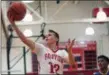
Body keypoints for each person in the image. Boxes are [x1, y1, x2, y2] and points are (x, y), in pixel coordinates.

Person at [9, 18, 75, 74]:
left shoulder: (62, 52)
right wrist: (14, 25)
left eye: (49, 35)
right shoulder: (41, 48)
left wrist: (70, 51)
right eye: (46, 36)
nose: (46, 37)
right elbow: (25, 40)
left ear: (56, 39)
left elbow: (72, 64)